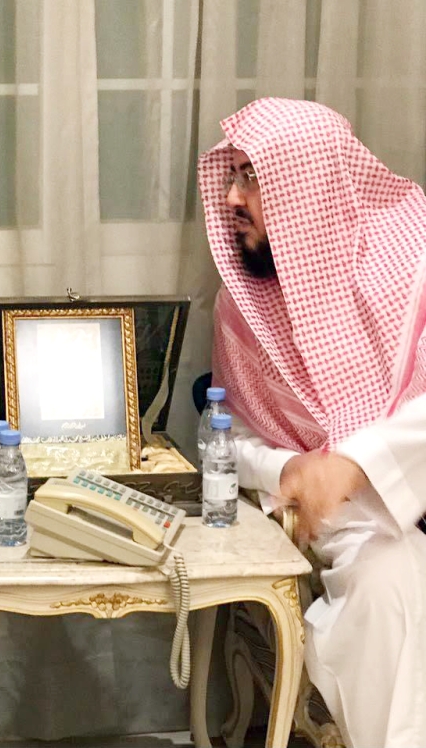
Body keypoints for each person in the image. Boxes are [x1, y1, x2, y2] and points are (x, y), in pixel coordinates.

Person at [200, 97, 426, 747]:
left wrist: (357, 461)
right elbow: (226, 433)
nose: (232, 198)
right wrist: (291, 467)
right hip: (359, 525)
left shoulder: (412, 270)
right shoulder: (242, 306)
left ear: (307, 183)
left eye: (251, 177)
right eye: (231, 176)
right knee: (387, 582)